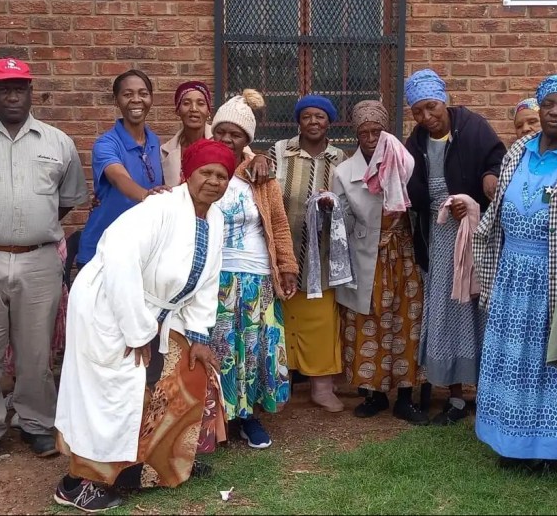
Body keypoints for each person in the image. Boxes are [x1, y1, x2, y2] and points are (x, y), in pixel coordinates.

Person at [53, 139, 233, 513]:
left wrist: (198, 337)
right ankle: (79, 485)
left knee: (180, 377)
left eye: (222, 175)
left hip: (156, 313)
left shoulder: (215, 221)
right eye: (207, 173)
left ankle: (150, 467)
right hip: (109, 308)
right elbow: (119, 259)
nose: (214, 181)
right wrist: (138, 332)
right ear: (188, 174)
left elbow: (208, 281)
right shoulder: (159, 208)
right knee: (111, 397)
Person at [0, 58, 88, 465]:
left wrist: (29, 230)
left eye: (20, 88)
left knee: (36, 351)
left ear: (32, 93)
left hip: (39, 260)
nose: (12, 95)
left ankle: (36, 423)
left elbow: (65, 200)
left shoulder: (57, 142)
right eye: (4, 88)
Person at [473, 75, 557, 470]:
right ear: (539, 108)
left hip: (555, 274)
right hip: (512, 271)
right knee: (511, 358)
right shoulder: (517, 153)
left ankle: (551, 448)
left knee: (551, 359)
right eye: (549, 105)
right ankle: (510, 443)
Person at [404, 69, 506, 425]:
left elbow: (497, 161)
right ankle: (457, 396)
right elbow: (410, 189)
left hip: (475, 235)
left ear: (443, 100)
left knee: (479, 309)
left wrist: (485, 182)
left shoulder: (474, 127)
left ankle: (490, 392)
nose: (426, 117)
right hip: (439, 235)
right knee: (447, 311)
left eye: (431, 107)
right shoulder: (415, 141)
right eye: (417, 111)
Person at [209, 90, 298, 449]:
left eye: (237, 134)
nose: (228, 140)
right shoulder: (202, 169)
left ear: (248, 139)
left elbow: (277, 224)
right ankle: (218, 419)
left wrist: (288, 266)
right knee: (222, 347)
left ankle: (248, 417)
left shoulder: (261, 177)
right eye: (222, 132)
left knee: (256, 348)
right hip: (216, 277)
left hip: (257, 277)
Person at [331, 100, 428, 423]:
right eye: (364, 132)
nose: (371, 138)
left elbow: (419, 204)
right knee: (367, 322)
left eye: (377, 131)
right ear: (356, 135)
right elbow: (341, 222)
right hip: (365, 257)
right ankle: (372, 395)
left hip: (403, 253)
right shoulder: (344, 173)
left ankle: (404, 395)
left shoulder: (404, 162)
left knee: (406, 320)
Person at [262, 95, 348, 412]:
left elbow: (348, 200)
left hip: (320, 257)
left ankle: (321, 388)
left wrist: (332, 204)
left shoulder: (339, 158)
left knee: (321, 320)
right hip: (283, 251)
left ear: (330, 123)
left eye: (320, 117)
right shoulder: (280, 151)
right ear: (298, 121)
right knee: (282, 320)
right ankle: (279, 388)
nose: (313, 122)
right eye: (307, 116)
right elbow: (262, 187)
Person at [77, 70, 166, 267]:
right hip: (102, 251)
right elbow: (119, 178)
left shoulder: (154, 141)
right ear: (116, 100)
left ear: (151, 98)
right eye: (127, 94)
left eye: (143, 93)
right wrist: (148, 197)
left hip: (139, 252)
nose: (136, 100)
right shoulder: (106, 144)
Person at [161, 81, 260, 185]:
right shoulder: (165, 151)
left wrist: (260, 158)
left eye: (201, 103)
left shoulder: (222, 140)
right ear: (177, 110)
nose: (193, 109)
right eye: (186, 103)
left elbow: (248, 159)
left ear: (208, 111)